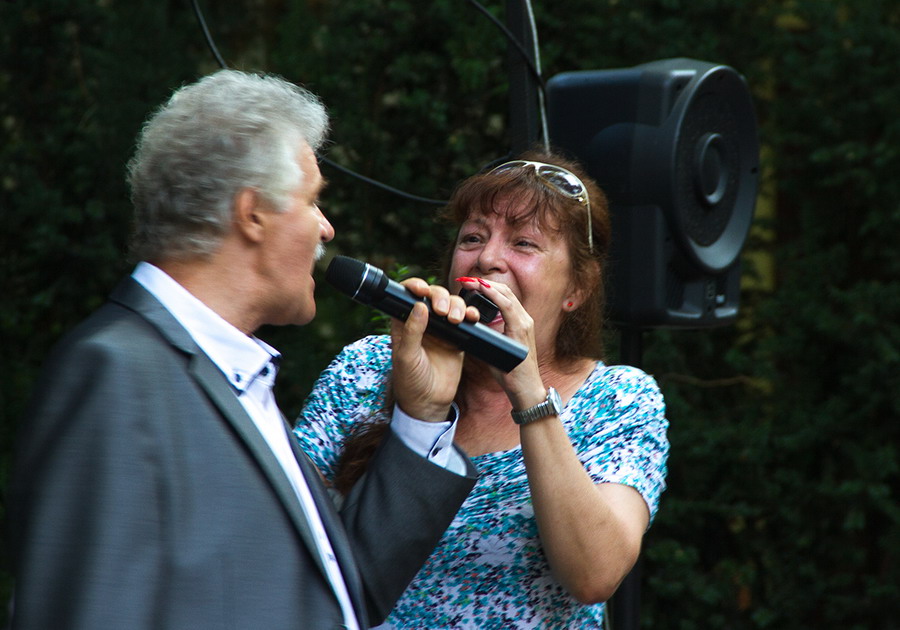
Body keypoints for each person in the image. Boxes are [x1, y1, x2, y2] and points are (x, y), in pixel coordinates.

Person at [7, 69, 480, 630]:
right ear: (252, 212)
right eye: (313, 201)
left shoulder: (234, 374)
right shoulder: (116, 372)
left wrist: (421, 418)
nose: (326, 229)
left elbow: (339, 593)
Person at [294, 151, 670, 628]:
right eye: (472, 238)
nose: (488, 258)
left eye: (524, 243)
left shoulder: (620, 399)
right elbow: (289, 538)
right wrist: (416, 414)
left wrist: (529, 395)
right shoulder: (367, 367)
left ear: (577, 288)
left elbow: (594, 575)